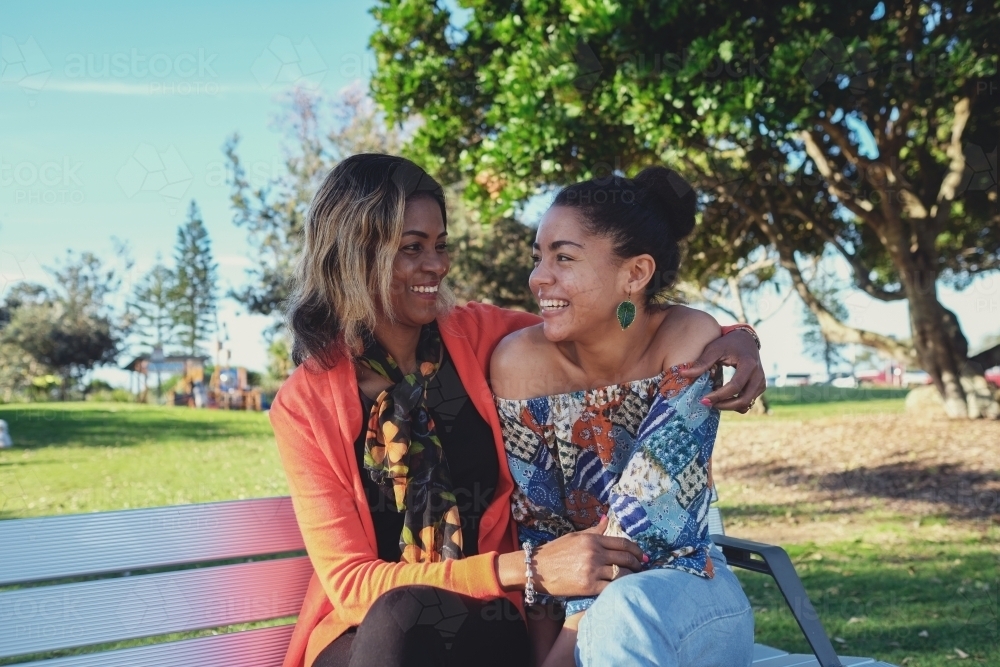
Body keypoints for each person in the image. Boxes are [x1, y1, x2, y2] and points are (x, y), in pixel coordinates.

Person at [268, 153, 765, 667]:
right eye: (412, 248)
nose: (436, 266)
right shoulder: (306, 406)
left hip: (483, 624)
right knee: (400, 617)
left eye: (440, 246)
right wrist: (524, 568)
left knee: (408, 615)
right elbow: (350, 584)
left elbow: (603, 327)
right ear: (353, 255)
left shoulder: (481, 338)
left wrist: (736, 340)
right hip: (368, 628)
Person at [491, 166, 755, 667]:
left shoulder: (684, 338)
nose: (537, 277)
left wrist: (559, 660)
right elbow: (540, 531)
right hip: (577, 614)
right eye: (538, 257)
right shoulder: (519, 362)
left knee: (622, 609)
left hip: (688, 591)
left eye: (563, 257)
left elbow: (641, 519)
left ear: (635, 274)